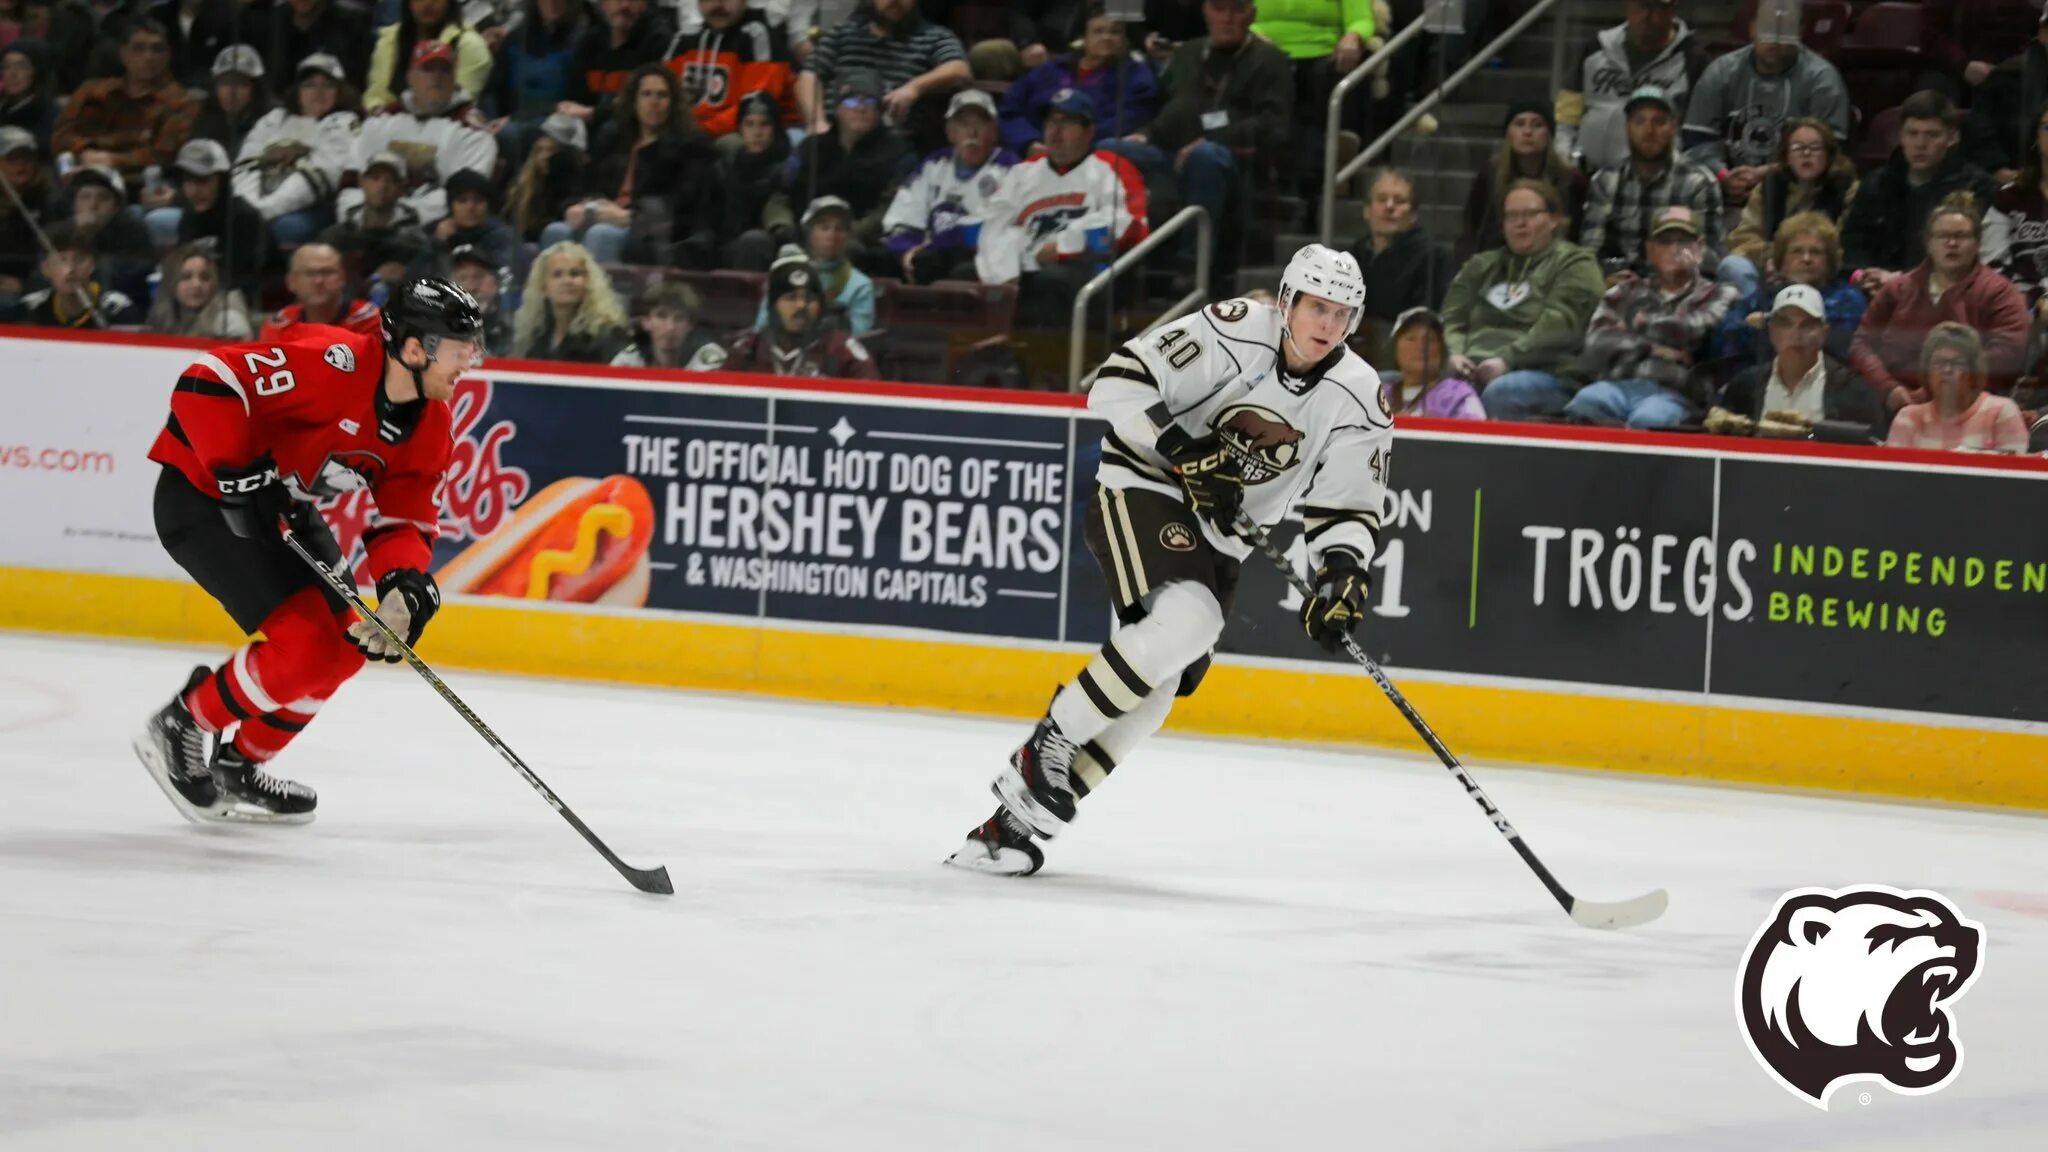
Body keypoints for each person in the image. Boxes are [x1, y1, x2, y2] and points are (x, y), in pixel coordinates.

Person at [946, 245, 1391, 875]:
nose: (1328, 324)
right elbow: (1114, 383)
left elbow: (1346, 506)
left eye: (1342, 314)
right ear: (1287, 302)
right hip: (1143, 484)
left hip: (1225, 535)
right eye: (1317, 307)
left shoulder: (1360, 394)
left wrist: (1343, 573)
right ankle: (1048, 743)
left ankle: (1004, 832)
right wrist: (1186, 449)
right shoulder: (1236, 328)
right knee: (1191, 620)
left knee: (1152, 696)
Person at [132, 277, 487, 824]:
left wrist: (404, 587)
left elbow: (407, 515)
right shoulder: (333, 363)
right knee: (304, 651)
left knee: (345, 648)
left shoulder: (431, 422)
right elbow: (210, 379)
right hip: (202, 501)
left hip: (281, 511)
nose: (471, 362)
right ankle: (181, 723)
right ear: (415, 349)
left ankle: (239, 765)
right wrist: (234, 470)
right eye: (461, 350)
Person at [1567, 205, 1735, 429]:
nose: (1674, 249)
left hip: (1677, 393)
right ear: (1650, 249)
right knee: (1586, 403)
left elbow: (1694, 329)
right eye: (1665, 242)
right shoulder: (1626, 291)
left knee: (1648, 420)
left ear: (1700, 247)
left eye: (1683, 241)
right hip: (1619, 385)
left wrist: (1635, 325)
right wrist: (1653, 349)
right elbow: (1596, 342)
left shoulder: (1720, 293)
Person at [1717, 284, 1883, 438]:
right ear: (1772, 331)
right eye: (1785, 324)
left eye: (1808, 325)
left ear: (1824, 332)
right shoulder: (1745, 386)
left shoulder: (1854, 391)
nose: (1796, 334)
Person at [726, 249, 880, 377]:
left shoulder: (841, 350)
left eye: (810, 298)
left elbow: (874, 401)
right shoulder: (747, 350)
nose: (801, 305)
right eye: (791, 298)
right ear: (773, 305)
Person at [1886, 322, 2031, 452]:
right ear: (1927, 372)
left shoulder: (2001, 412)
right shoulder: (1908, 418)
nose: (1947, 370)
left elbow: (2012, 478)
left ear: (1974, 372)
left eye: (1958, 363)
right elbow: (1894, 479)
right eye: (1939, 362)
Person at [1386, 306, 1485, 419]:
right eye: (1411, 338)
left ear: (1442, 351)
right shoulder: (1377, 396)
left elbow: (1472, 432)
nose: (1420, 347)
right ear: (1395, 349)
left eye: (1430, 340)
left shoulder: (1458, 395)